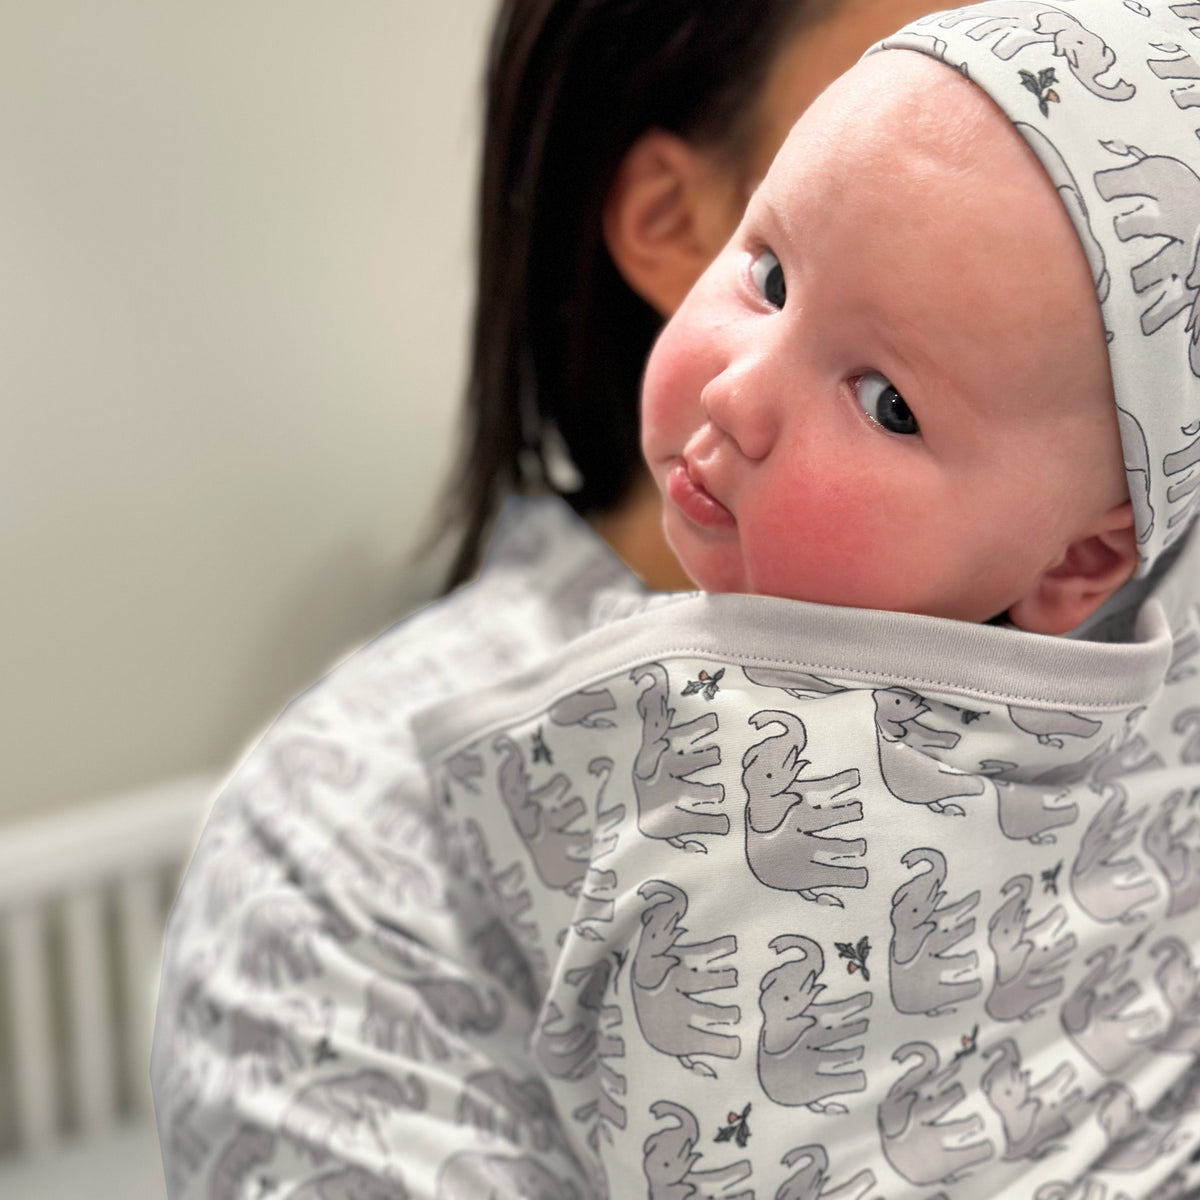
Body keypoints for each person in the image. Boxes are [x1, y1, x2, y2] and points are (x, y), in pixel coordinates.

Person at [149, 2, 943, 1198]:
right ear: (676, 224)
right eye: (942, 91)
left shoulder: (1132, 681)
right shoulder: (357, 859)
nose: (1057, 176)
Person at [406, 8, 1200, 1199]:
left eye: (886, 402)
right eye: (769, 276)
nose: (740, 392)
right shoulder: (354, 816)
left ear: (1079, 568)